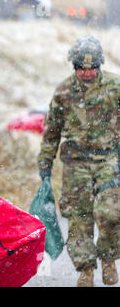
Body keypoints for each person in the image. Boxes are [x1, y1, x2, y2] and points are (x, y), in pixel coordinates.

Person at [38, 36, 119, 287]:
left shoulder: (115, 88)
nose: (87, 73)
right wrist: (45, 163)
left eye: (92, 68)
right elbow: (52, 130)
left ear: (100, 65)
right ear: (74, 67)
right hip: (75, 162)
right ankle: (85, 270)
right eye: (82, 68)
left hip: (108, 159)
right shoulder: (63, 92)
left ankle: (108, 258)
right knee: (79, 218)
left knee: (111, 212)